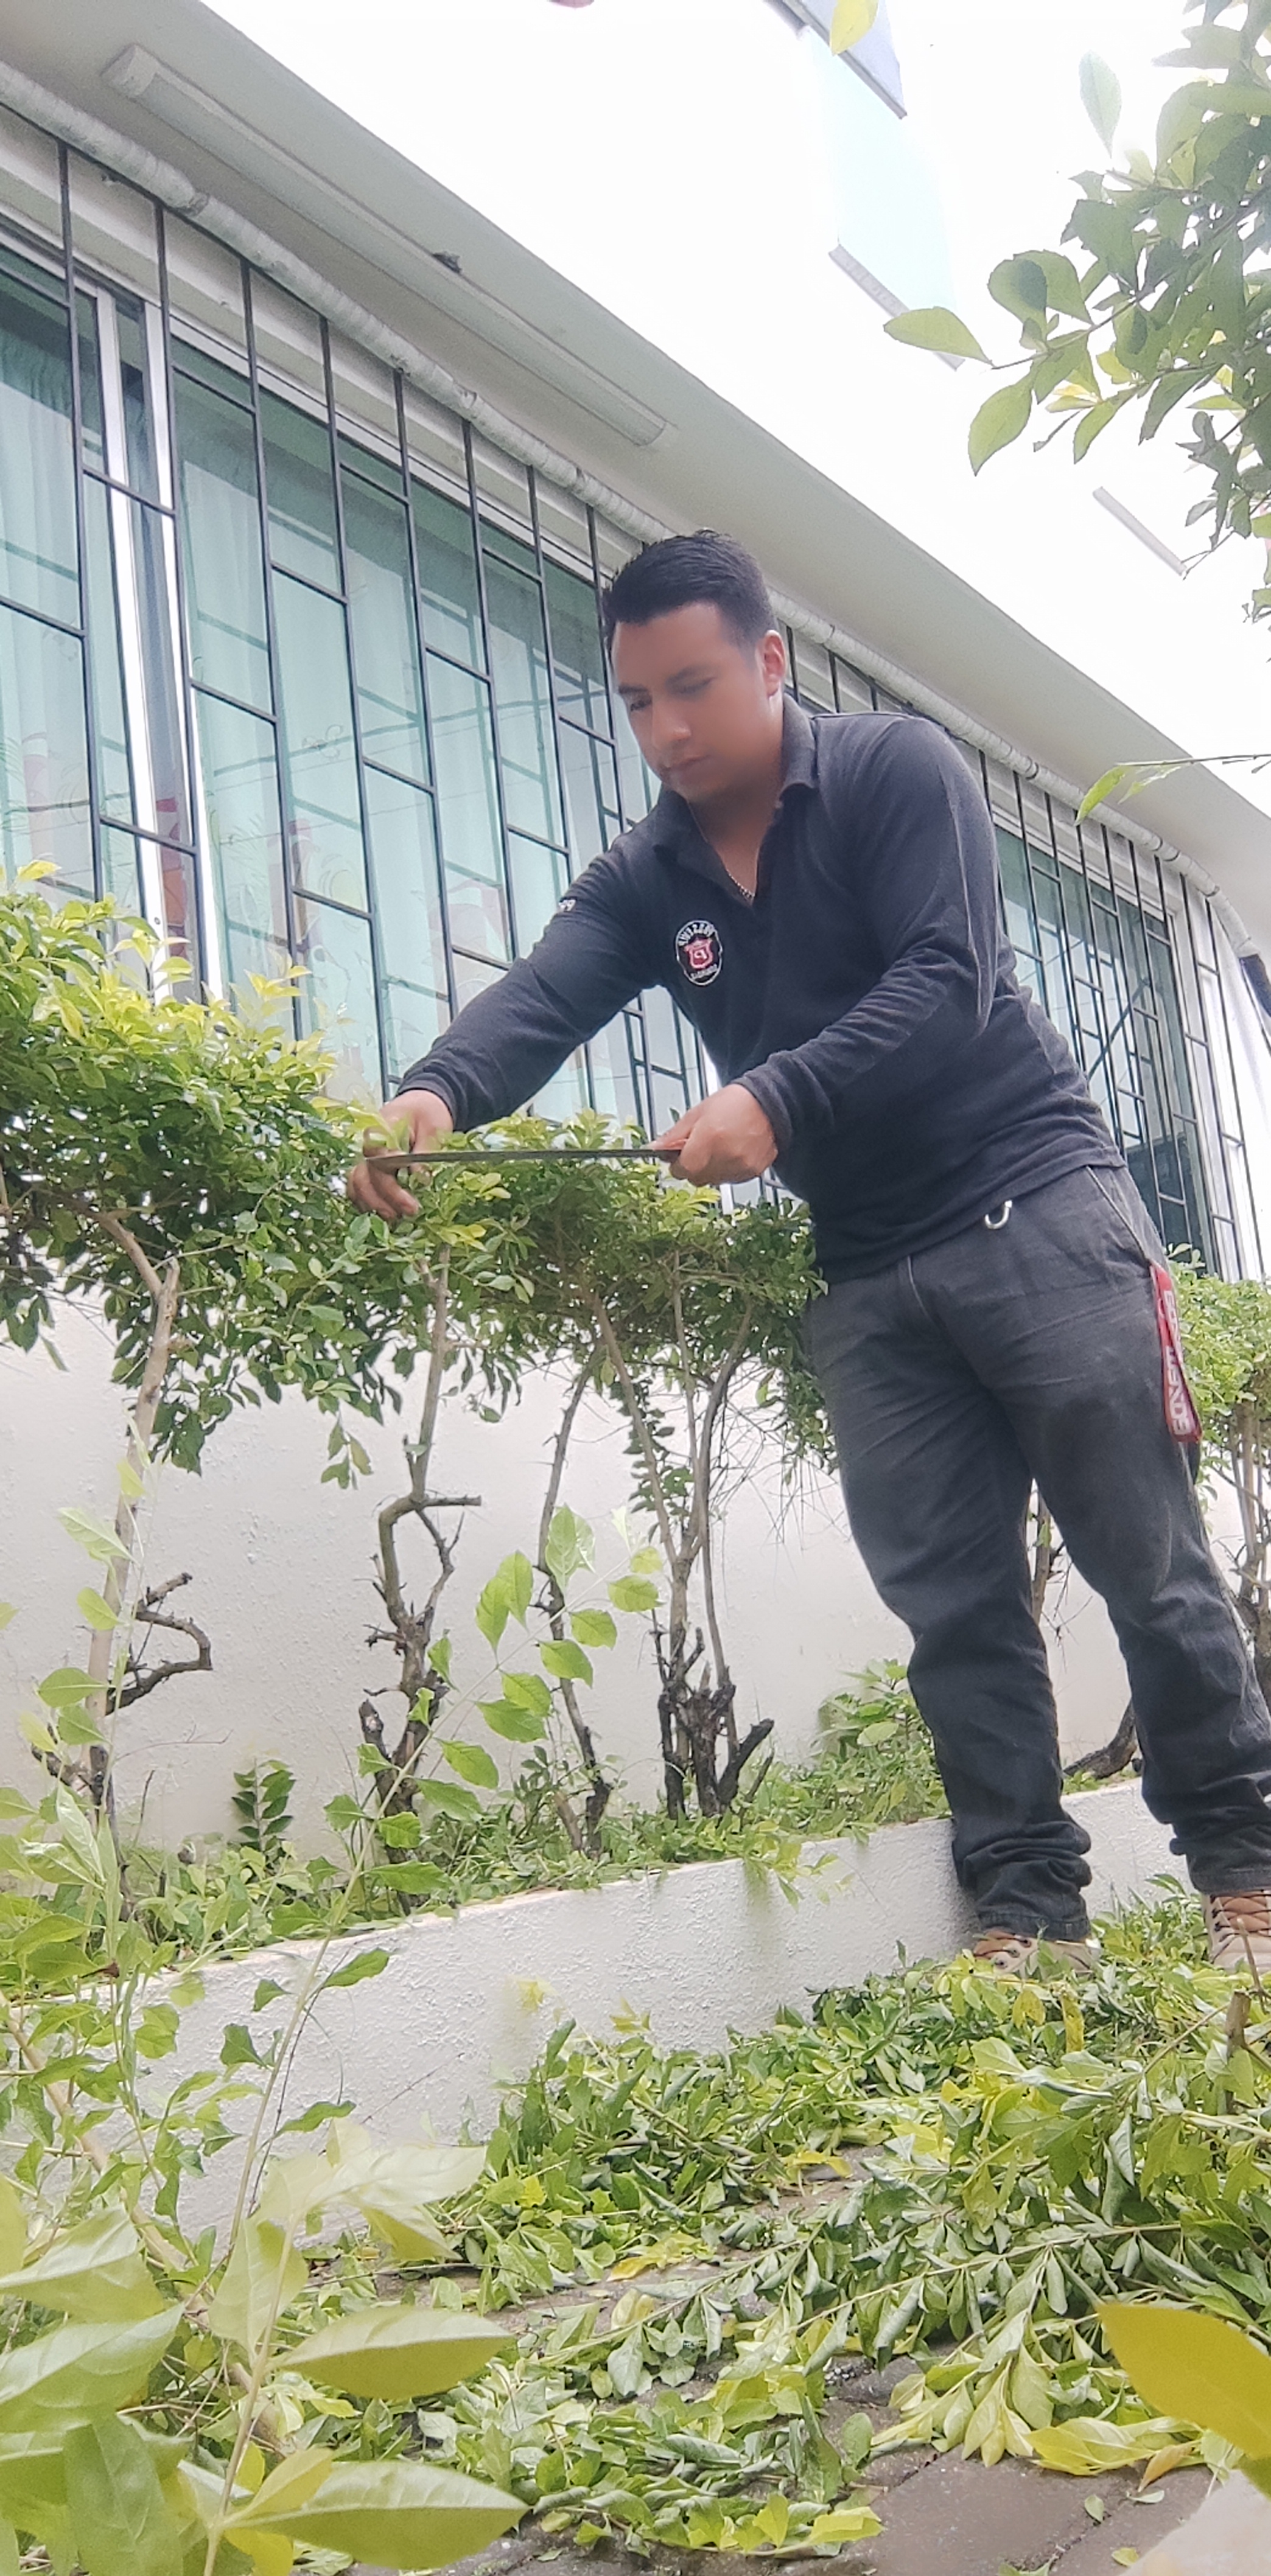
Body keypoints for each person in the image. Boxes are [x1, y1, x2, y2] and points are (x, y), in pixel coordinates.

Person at [349, 528, 1271, 1976]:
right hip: (868, 1270)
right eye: (638, 701)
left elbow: (950, 979)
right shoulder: (648, 876)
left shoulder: (897, 772)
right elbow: (546, 993)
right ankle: (1032, 1918)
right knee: (954, 1609)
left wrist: (773, 1099)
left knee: (1148, 1567)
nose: (666, 729)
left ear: (770, 660)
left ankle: (1249, 1879)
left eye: (694, 686)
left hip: (1037, 1204)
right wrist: (435, 1094)